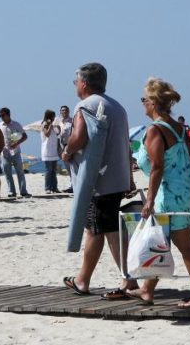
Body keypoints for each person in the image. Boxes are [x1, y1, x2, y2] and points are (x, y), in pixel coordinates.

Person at [128, 77, 190, 309]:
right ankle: (147, 289)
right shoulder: (176, 126)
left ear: (153, 102)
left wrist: (149, 201)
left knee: (185, 245)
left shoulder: (156, 130)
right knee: (160, 239)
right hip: (187, 189)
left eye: (144, 99)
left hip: (173, 193)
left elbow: (156, 167)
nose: (142, 103)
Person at [61, 62, 138, 300]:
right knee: (98, 228)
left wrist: (66, 151)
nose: (75, 86)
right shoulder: (118, 107)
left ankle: (128, 280)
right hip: (117, 176)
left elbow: (79, 137)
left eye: (76, 82)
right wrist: (130, 176)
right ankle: (84, 278)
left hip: (98, 179)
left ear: (84, 83)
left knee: (104, 229)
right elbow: (125, 144)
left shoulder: (85, 106)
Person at [0, 107, 30, 198]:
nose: (1, 117)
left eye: (3, 115)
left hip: (16, 152)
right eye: (0, 115)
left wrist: (17, 143)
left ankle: (23, 191)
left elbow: (25, 136)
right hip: (5, 153)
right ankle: (12, 191)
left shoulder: (16, 124)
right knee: (7, 173)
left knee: (20, 172)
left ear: (8, 115)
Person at [41, 109, 61, 193]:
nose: (54, 117)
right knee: (48, 171)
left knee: (54, 171)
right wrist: (50, 126)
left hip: (54, 150)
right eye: (53, 115)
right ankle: (47, 188)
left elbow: (57, 133)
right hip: (47, 150)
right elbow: (47, 134)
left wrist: (58, 127)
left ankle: (54, 187)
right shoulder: (44, 124)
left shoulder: (52, 124)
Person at [56, 105, 74, 192]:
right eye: (62, 110)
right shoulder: (59, 122)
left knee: (72, 166)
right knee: (67, 166)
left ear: (68, 111)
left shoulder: (72, 121)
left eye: (66, 110)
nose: (64, 112)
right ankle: (72, 185)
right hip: (61, 145)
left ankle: (73, 185)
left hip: (70, 145)